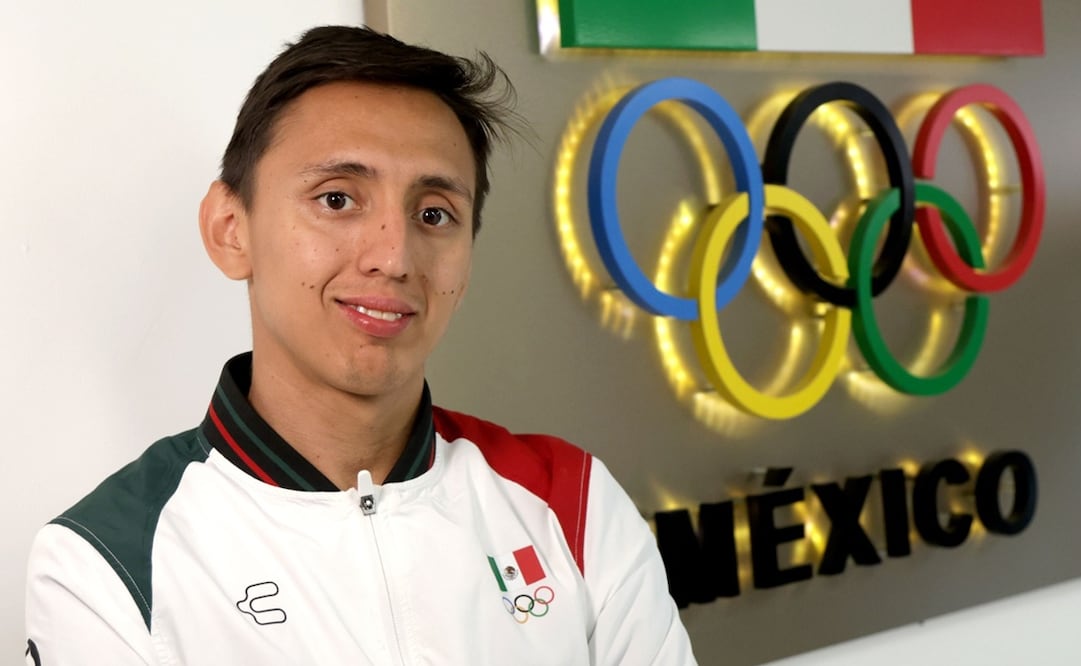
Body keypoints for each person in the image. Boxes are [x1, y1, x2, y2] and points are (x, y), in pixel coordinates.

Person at [24, 25, 696, 665]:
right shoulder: (108, 558)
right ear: (231, 228)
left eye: (434, 214)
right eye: (338, 199)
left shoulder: (570, 501)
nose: (394, 256)